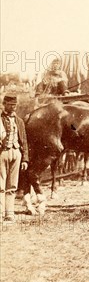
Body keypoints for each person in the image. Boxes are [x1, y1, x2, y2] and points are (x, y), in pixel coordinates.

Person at [0, 95, 29, 223]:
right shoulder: (0, 119)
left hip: (16, 153)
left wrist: (25, 159)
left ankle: (9, 213)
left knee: (12, 185)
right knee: (0, 185)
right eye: (10, 104)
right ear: (4, 104)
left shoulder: (19, 121)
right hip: (2, 153)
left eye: (15, 105)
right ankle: (0, 213)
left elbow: (24, 141)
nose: (13, 107)